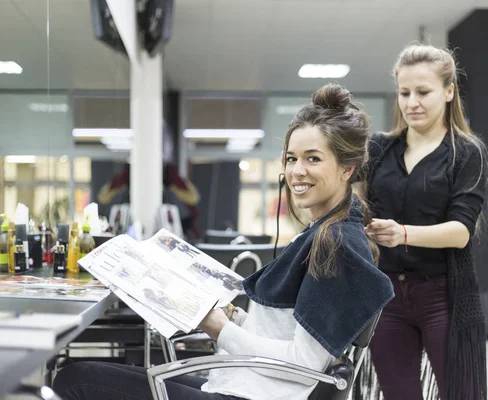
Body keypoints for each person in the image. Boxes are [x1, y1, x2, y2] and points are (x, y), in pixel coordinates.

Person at [52, 83, 394, 400]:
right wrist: (232, 319)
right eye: (291, 158)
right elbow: (286, 335)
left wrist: (219, 329)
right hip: (243, 381)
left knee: (74, 379)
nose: (296, 171)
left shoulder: (336, 246)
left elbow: (304, 365)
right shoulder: (321, 234)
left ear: (347, 168)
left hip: (251, 393)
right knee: (84, 374)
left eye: (313, 159)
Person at [361, 43, 488, 400]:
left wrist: (401, 233)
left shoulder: (467, 152)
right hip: (386, 295)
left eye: (423, 92)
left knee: (460, 393)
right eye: (404, 93)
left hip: (443, 296)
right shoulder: (378, 149)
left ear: (449, 92)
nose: (411, 102)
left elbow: (460, 232)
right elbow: (355, 205)